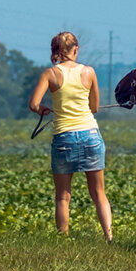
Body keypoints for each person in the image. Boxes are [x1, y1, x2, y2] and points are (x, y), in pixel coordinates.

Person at [28, 31, 112, 241]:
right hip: (90, 135)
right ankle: (109, 237)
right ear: (76, 50)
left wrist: (42, 110)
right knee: (98, 193)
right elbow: (94, 107)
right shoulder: (89, 72)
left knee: (63, 196)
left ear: (55, 51)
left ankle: (63, 241)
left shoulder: (50, 74)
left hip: (64, 137)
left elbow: (33, 104)